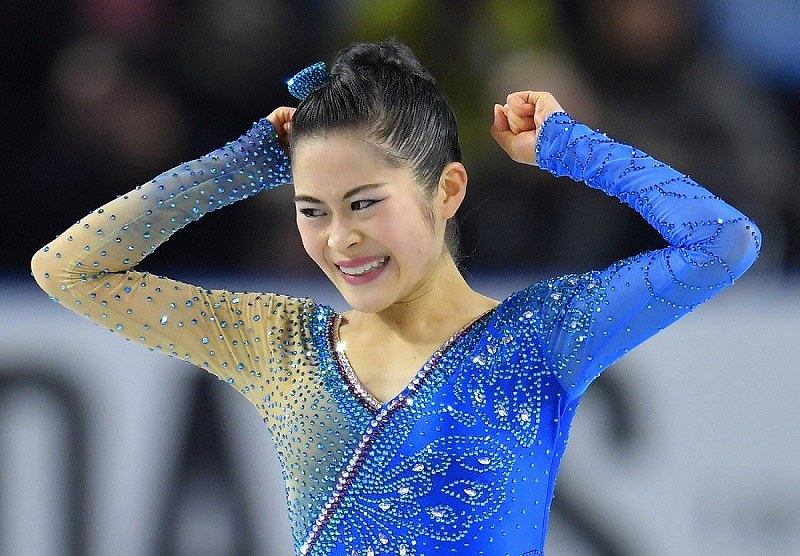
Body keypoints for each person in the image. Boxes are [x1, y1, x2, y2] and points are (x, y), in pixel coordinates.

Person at [31, 39, 761, 556]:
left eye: (364, 203)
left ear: (446, 190)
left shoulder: (541, 336)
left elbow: (724, 242)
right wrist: (240, 165)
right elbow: (69, 270)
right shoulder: (278, 343)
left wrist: (571, 148)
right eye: (312, 210)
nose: (340, 239)